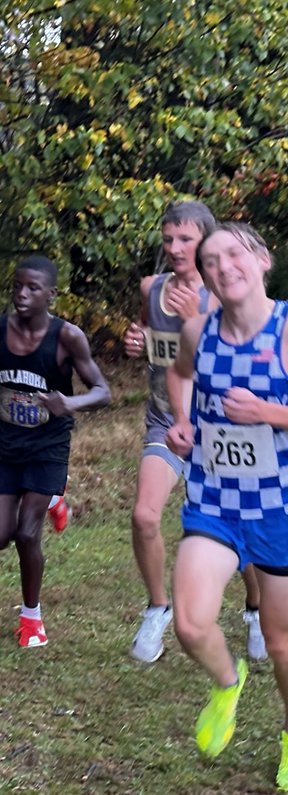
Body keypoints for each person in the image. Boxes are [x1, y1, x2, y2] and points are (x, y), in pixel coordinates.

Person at [164, 222, 288, 787]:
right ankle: (227, 681)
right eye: (211, 260)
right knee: (190, 624)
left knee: (283, 643)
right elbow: (180, 374)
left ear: (262, 261)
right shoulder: (198, 330)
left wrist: (268, 413)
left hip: (280, 508)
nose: (222, 267)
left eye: (234, 254)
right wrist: (184, 422)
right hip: (214, 498)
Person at [123, 202, 265, 664]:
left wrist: (194, 321)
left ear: (205, 242)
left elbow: (236, 357)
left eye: (185, 240)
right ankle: (157, 609)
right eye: (168, 240)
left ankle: (257, 610)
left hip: (221, 431)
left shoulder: (226, 295)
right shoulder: (151, 288)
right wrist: (134, 340)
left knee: (238, 534)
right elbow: (147, 337)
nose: (175, 248)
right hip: (167, 423)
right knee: (145, 517)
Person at [0, 255, 112, 648]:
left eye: (32, 288)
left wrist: (70, 403)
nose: (22, 294)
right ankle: (54, 500)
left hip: (49, 446)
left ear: (51, 294)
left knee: (27, 533)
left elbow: (103, 391)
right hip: (8, 445)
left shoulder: (67, 337)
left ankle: (32, 620)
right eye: (17, 286)